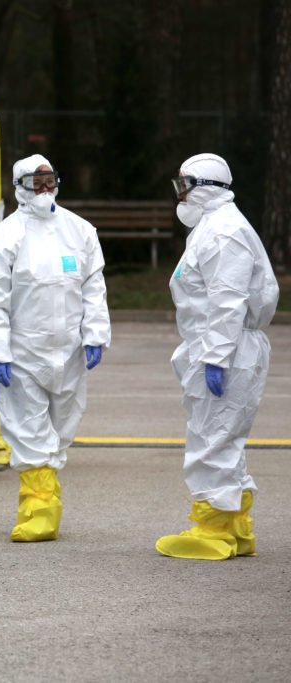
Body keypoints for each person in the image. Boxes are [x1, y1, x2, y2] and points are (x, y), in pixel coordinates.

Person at [0, 154, 111, 542]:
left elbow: (93, 286)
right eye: (37, 182)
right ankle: (39, 508)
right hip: (23, 352)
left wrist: (95, 334)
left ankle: (45, 495)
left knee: (63, 427)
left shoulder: (80, 230)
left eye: (50, 180)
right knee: (28, 429)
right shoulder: (3, 238)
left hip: (68, 349)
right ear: (19, 187)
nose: (45, 189)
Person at [156, 153, 279, 561]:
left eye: (184, 186)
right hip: (221, 345)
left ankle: (213, 528)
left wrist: (216, 357)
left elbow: (227, 300)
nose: (180, 196)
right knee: (224, 437)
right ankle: (236, 525)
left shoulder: (223, 233)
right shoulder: (215, 226)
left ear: (203, 187)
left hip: (225, 348)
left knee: (212, 437)